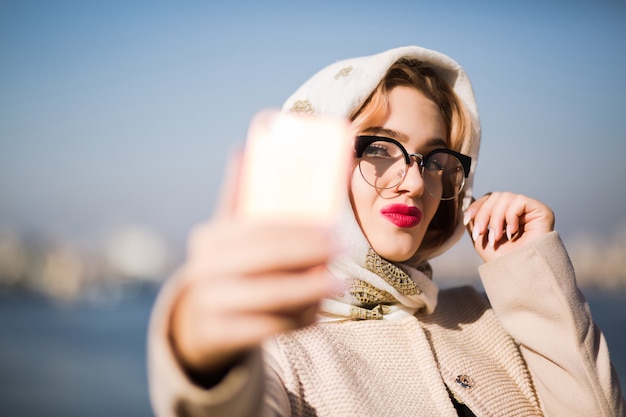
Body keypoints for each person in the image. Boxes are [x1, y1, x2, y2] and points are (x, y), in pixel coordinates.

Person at [148, 46, 625, 416]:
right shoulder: (277, 351)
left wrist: (530, 275)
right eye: (380, 149)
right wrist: (200, 351)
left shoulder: (486, 318)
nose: (417, 182)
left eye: (436, 159)